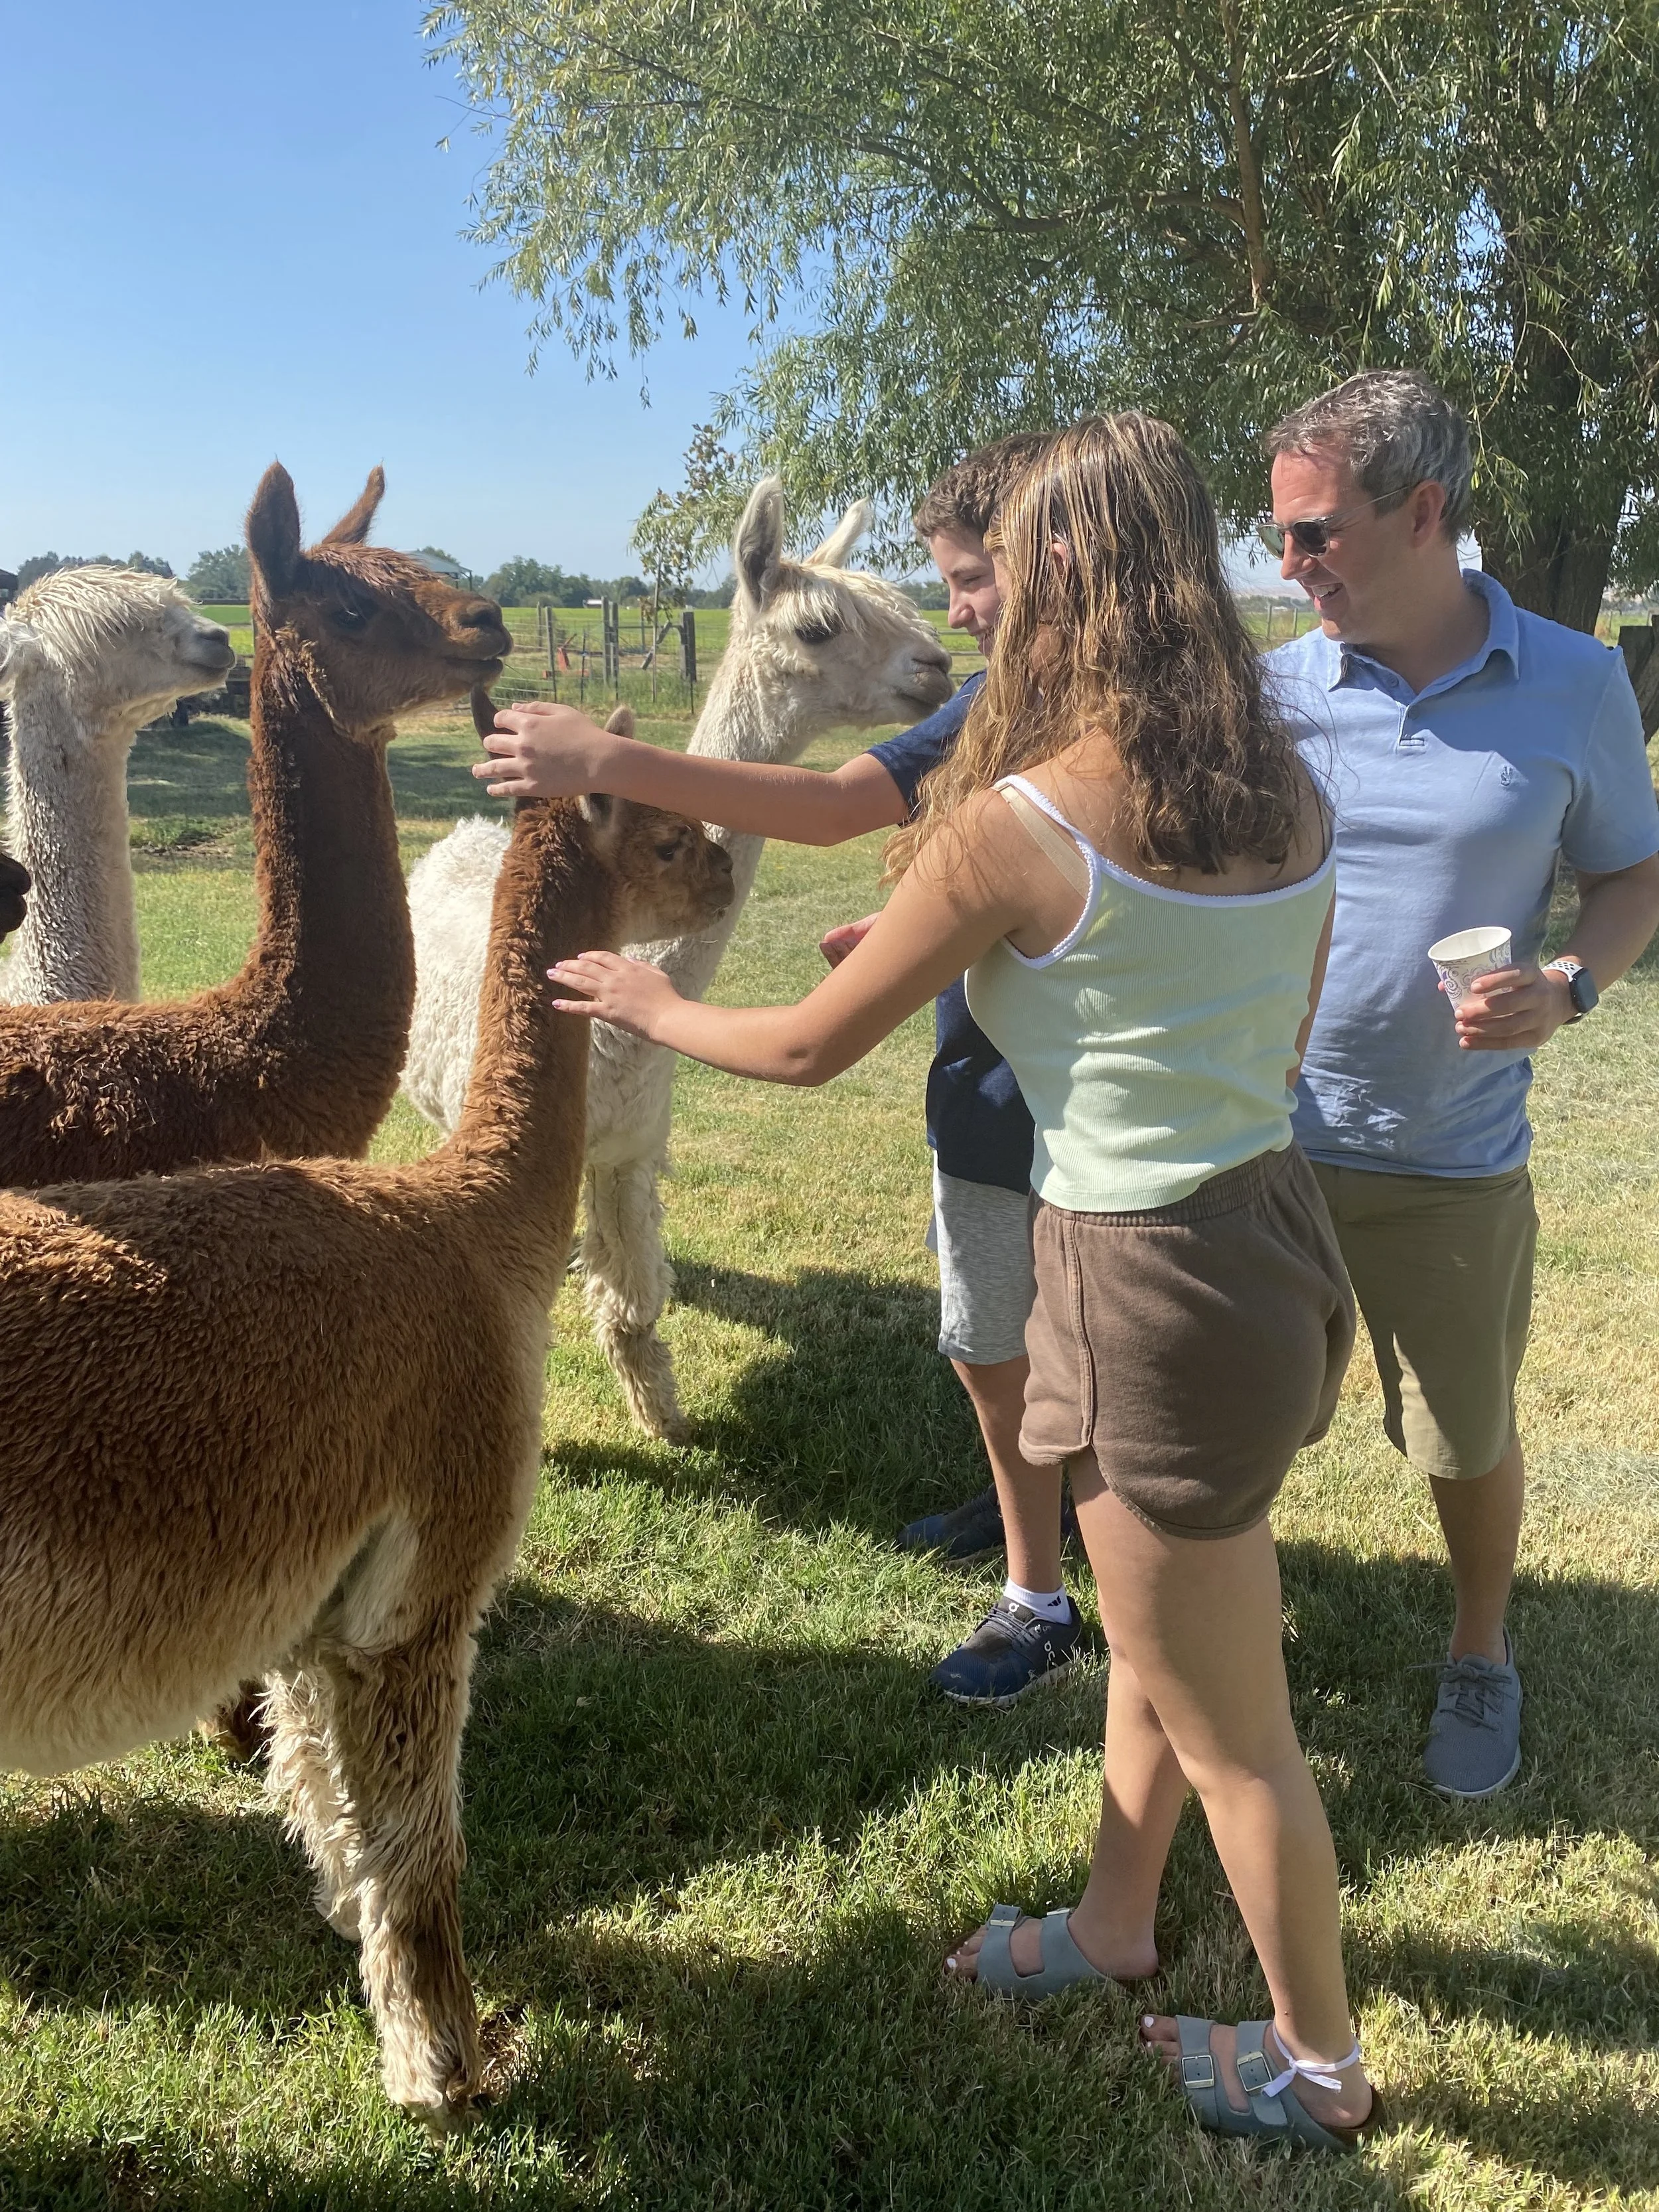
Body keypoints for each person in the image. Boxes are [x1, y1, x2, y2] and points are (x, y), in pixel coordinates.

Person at [545, 414, 1379, 2152]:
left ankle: (1319, 2063)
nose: (982, 603)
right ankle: (1113, 1921)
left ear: (1072, 570)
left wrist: (646, 1002)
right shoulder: (1279, 784)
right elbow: (1234, 1013)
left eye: (1009, 562)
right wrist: (982, 954)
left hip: (1143, 1280)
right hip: (1264, 1238)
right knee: (1156, 1644)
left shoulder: (1017, 818)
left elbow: (787, 1051)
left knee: (1239, 1733)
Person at [475, 434, 1090, 1709]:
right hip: (996, 1076)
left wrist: (620, 802)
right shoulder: (986, 702)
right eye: (956, 584)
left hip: (1100, 1093)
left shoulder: (1119, 717)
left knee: (1094, 1338)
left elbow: (813, 1030)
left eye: (977, 582)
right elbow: (832, 808)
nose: (953, 622)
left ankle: (1092, 1580)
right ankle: (1036, 1548)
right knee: (994, 1332)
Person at [1262, 370, 1659, 1798]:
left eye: (1313, 535)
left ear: (1421, 512)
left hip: (1450, 1153)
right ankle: (1228, 1651)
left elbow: (1629, 869)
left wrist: (1565, 988)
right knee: (1229, 1418)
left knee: (1461, 1429)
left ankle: (1478, 1648)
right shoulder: (1272, 687)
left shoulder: (1574, 679)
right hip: (1265, 1146)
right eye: (1277, 539)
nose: (1287, 567)